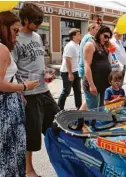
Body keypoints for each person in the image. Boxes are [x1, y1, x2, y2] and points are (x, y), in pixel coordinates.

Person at [13, 3, 60, 177]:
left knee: (57, 124)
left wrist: (48, 70)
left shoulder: (37, 37)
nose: (39, 24)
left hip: (44, 89)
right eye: (36, 21)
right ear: (25, 20)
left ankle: (61, 160)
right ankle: (29, 170)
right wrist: (20, 90)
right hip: (28, 94)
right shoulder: (15, 39)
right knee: (32, 135)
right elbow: (12, 68)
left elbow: (39, 60)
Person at [0, 11, 39, 177]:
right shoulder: (1, 49)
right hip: (6, 109)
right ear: (3, 28)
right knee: (11, 154)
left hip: (9, 104)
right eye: (15, 30)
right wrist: (23, 87)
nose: (17, 34)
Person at [83, 25, 112, 109]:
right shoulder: (90, 44)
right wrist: (91, 85)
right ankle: (83, 121)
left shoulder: (104, 46)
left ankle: (82, 119)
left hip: (103, 84)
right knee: (93, 112)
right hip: (93, 84)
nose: (106, 39)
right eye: (105, 36)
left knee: (101, 109)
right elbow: (87, 66)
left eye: (108, 37)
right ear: (99, 34)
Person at [58, 28, 82, 110]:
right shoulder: (70, 46)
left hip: (76, 71)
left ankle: (79, 108)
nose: (80, 35)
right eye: (78, 34)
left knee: (78, 91)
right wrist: (70, 73)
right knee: (66, 92)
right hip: (67, 72)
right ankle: (59, 109)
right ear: (74, 36)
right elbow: (68, 60)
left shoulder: (77, 45)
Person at [78, 23, 100, 111]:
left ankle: (79, 115)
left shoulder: (85, 37)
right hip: (86, 68)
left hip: (83, 67)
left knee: (89, 99)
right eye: (96, 30)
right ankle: (81, 117)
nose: (98, 32)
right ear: (91, 29)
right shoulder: (89, 39)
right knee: (90, 97)